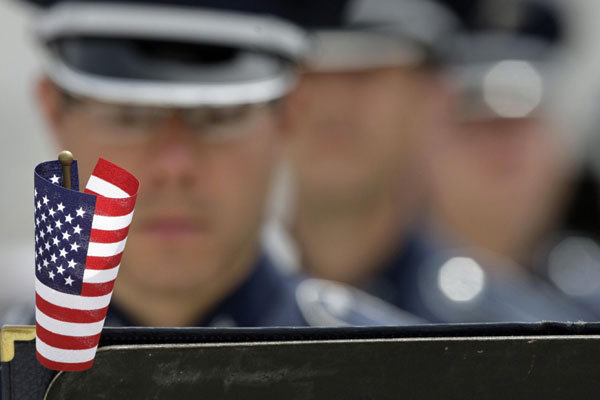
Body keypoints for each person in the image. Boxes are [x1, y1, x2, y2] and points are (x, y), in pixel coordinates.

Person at [1, 0, 420, 329]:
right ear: (53, 111)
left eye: (221, 117)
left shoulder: (399, 378)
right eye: (127, 115)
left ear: (290, 115)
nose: (175, 164)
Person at [267, 0, 457, 286]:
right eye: (308, 74)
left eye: (363, 75)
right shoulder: (197, 322)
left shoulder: (497, 327)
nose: (333, 105)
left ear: (428, 98)